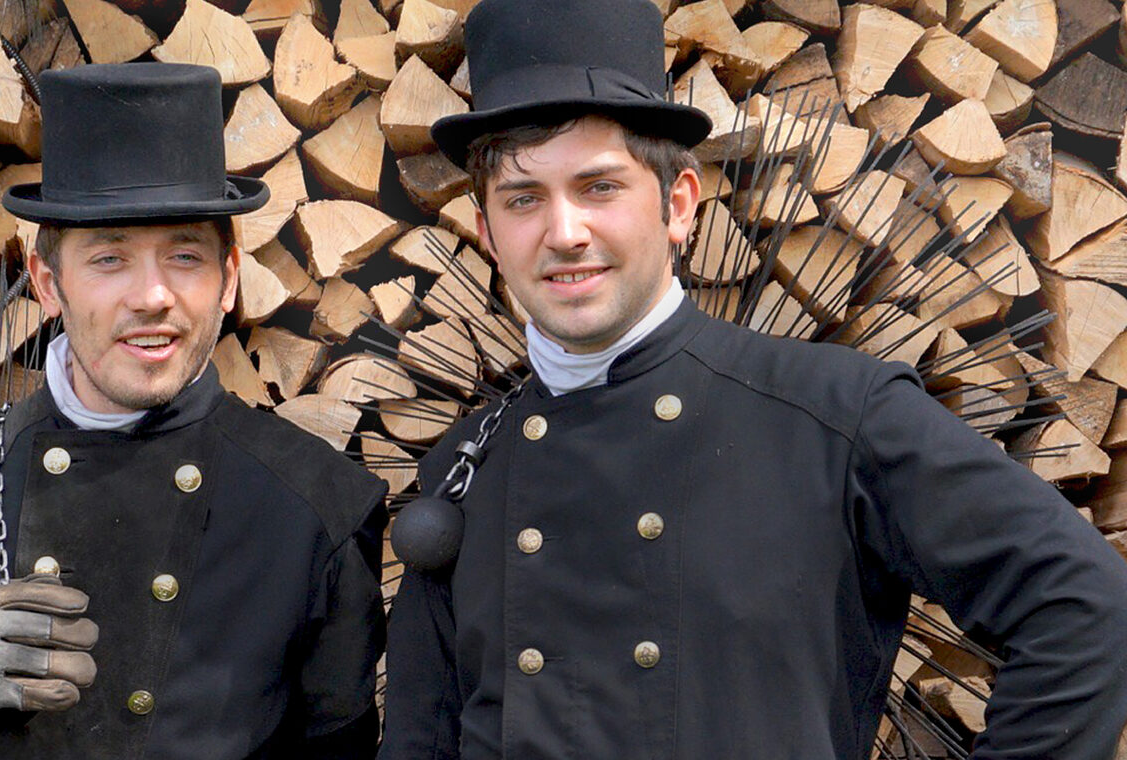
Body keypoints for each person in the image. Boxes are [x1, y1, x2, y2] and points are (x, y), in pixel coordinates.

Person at [378, 0, 1127, 757]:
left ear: (677, 206)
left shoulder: (837, 413)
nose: (565, 232)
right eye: (523, 199)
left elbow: (1085, 606)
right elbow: (417, 741)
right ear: (486, 233)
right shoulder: (463, 468)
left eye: (600, 187)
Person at [0, 63, 388, 760]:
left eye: (184, 256)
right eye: (109, 259)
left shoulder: (320, 508)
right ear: (47, 281)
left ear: (228, 279)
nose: (152, 295)